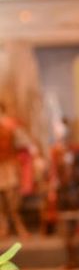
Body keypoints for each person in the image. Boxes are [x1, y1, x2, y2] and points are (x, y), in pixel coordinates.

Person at [49, 119, 79, 269]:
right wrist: (52, 188)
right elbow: (54, 172)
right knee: (66, 230)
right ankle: (71, 260)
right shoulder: (55, 151)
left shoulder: (78, 150)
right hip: (63, 194)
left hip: (76, 192)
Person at [0, 101, 29, 238]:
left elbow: (23, 141)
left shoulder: (10, 125)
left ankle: (18, 225)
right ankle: (3, 227)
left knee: (13, 198)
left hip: (8, 165)